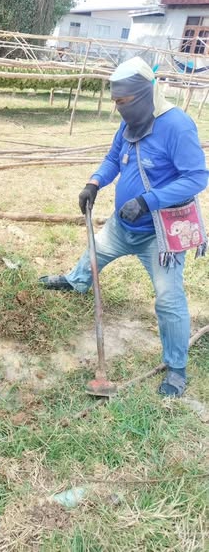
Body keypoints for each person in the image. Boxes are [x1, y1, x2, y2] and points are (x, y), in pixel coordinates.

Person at [39, 56, 208, 398]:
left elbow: (197, 177)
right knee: (95, 252)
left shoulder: (177, 126)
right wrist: (94, 183)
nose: (119, 108)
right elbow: (114, 158)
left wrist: (147, 201)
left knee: (169, 299)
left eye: (123, 101)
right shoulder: (130, 121)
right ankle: (76, 281)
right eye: (115, 101)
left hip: (160, 234)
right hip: (122, 225)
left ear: (144, 95)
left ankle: (176, 368)